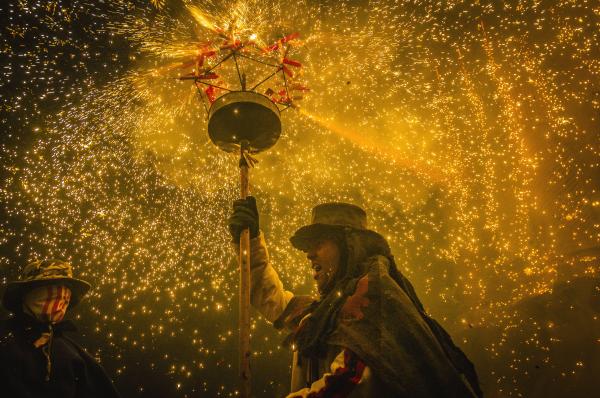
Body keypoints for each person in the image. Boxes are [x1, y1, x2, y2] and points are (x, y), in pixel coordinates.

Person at [229, 198, 483, 397]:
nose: (309, 254)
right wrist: (249, 242)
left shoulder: (373, 298)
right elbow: (274, 300)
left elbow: (349, 381)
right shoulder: (326, 312)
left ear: (349, 246)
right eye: (309, 246)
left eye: (319, 243)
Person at [0, 259, 122, 398]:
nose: (59, 305)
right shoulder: (4, 339)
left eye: (65, 300)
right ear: (27, 295)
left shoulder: (74, 356)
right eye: (51, 296)